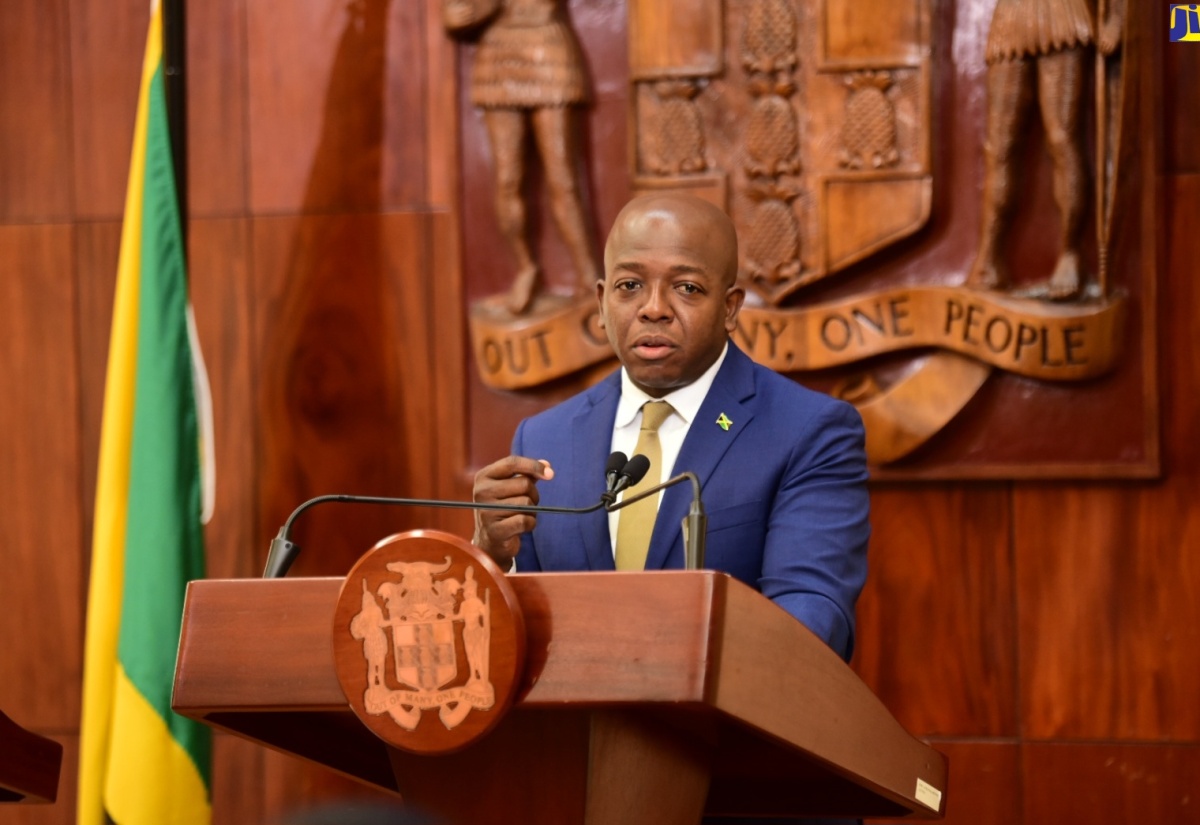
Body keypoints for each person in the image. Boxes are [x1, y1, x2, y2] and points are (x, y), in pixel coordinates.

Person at [472, 193, 870, 665]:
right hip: (574, 733)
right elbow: (511, 632)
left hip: (721, 732)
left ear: (730, 307)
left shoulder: (808, 431)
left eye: (686, 288)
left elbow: (812, 619)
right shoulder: (544, 439)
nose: (653, 309)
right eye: (629, 286)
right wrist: (492, 557)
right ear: (601, 302)